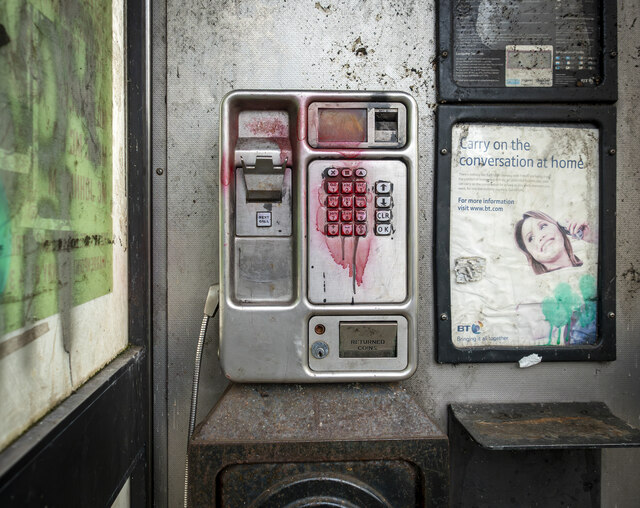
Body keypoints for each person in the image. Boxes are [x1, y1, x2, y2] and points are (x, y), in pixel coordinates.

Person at [514, 210, 596, 275]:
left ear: (560, 228)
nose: (540, 236)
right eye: (531, 238)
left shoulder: (592, 269)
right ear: (529, 253)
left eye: (543, 226)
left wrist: (592, 236)